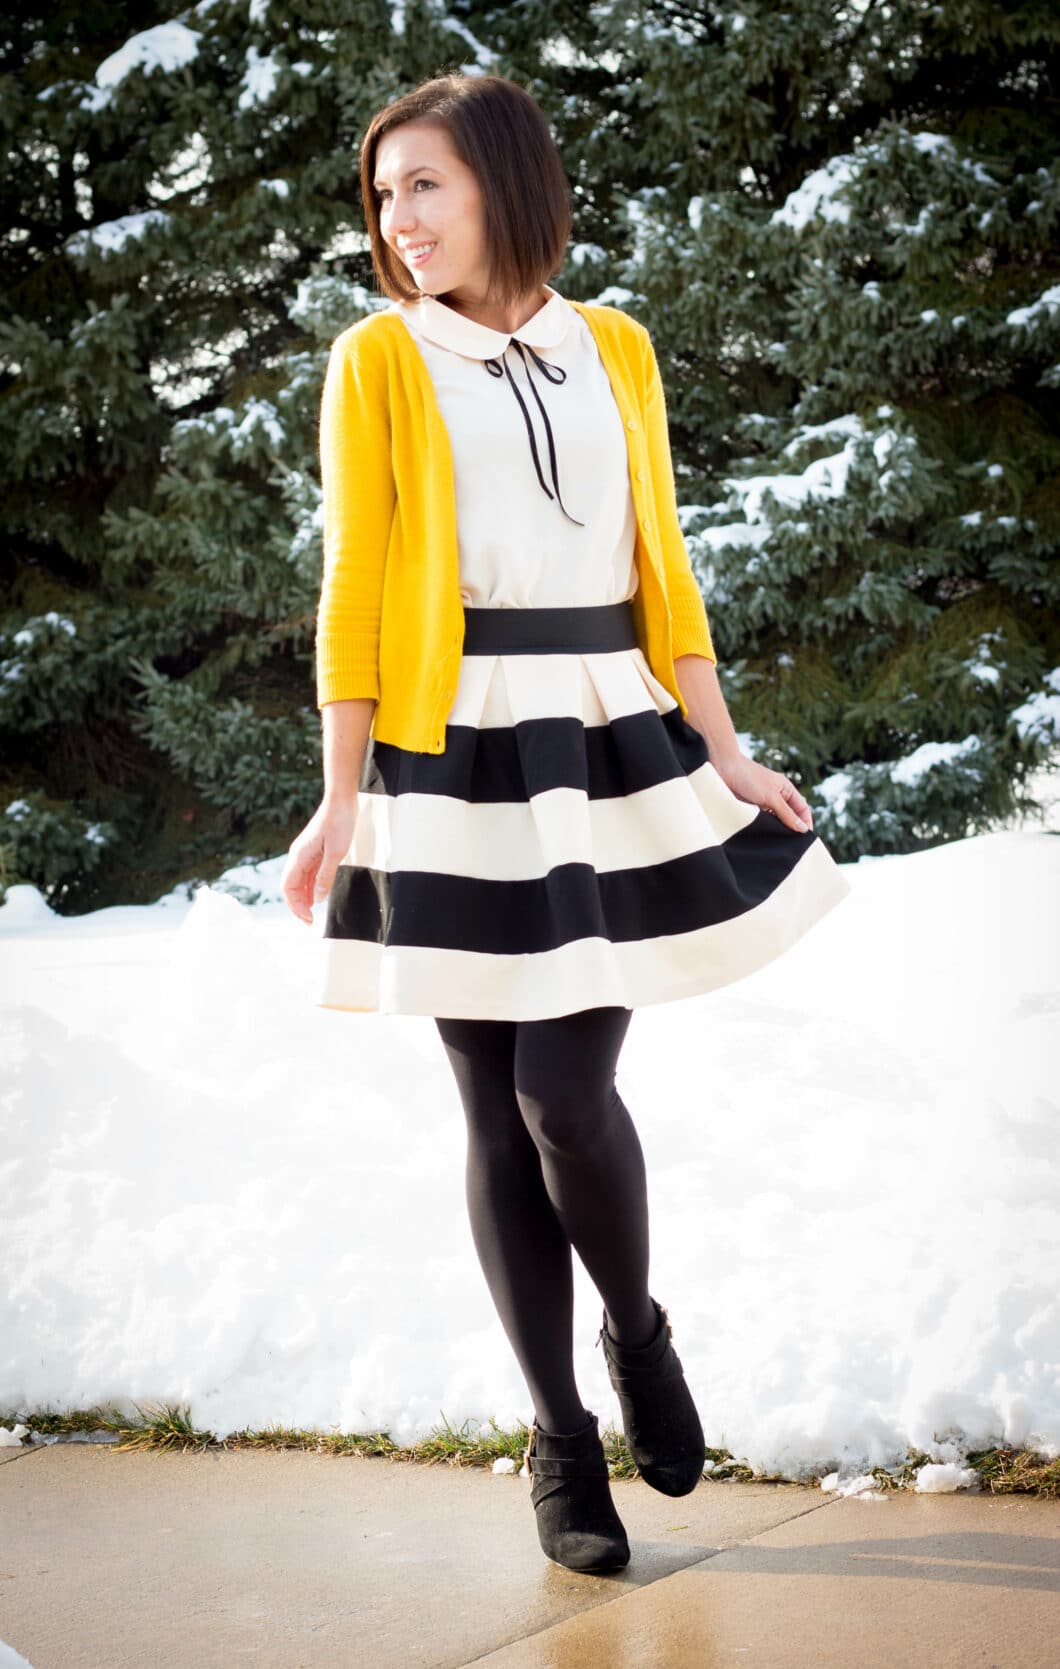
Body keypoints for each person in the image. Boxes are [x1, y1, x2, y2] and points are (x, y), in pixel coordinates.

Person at [282, 72, 850, 1574]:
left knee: (565, 1092)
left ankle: (640, 1333)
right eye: (385, 193)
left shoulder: (616, 350)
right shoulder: (378, 361)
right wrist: (339, 798)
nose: (397, 222)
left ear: (507, 184)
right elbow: (354, 586)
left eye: (427, 187)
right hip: (446, 749)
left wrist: (722, 746)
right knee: (490, 1104)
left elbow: (662, 556)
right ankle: (559, 1433)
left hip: (601, 731)